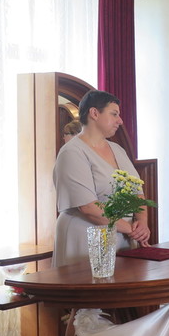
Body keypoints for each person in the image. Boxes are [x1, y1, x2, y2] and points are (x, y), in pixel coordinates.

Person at [53, 90, 151, 268]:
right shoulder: (72, 152)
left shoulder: (117, 149)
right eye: (114, 114)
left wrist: (142, 223)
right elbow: (88, 207)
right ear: (94, 113)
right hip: (85, 235)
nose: (120, 121)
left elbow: (137, 191)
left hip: (123, 236)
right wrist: (131, 230)